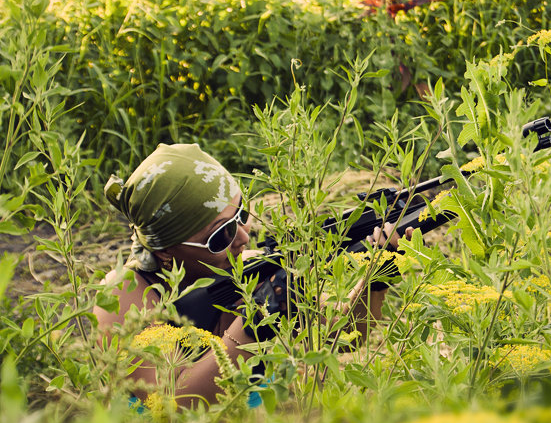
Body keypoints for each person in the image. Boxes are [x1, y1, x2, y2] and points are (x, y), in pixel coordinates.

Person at [94, 143, 404, 409]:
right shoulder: (122, 294)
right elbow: (171, 405)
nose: (244, 236)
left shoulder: (246, 267)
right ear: (165, 251)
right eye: (221, 234)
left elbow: (344, 338)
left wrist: (376, 279)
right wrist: (254, 324)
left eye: (242, 214)